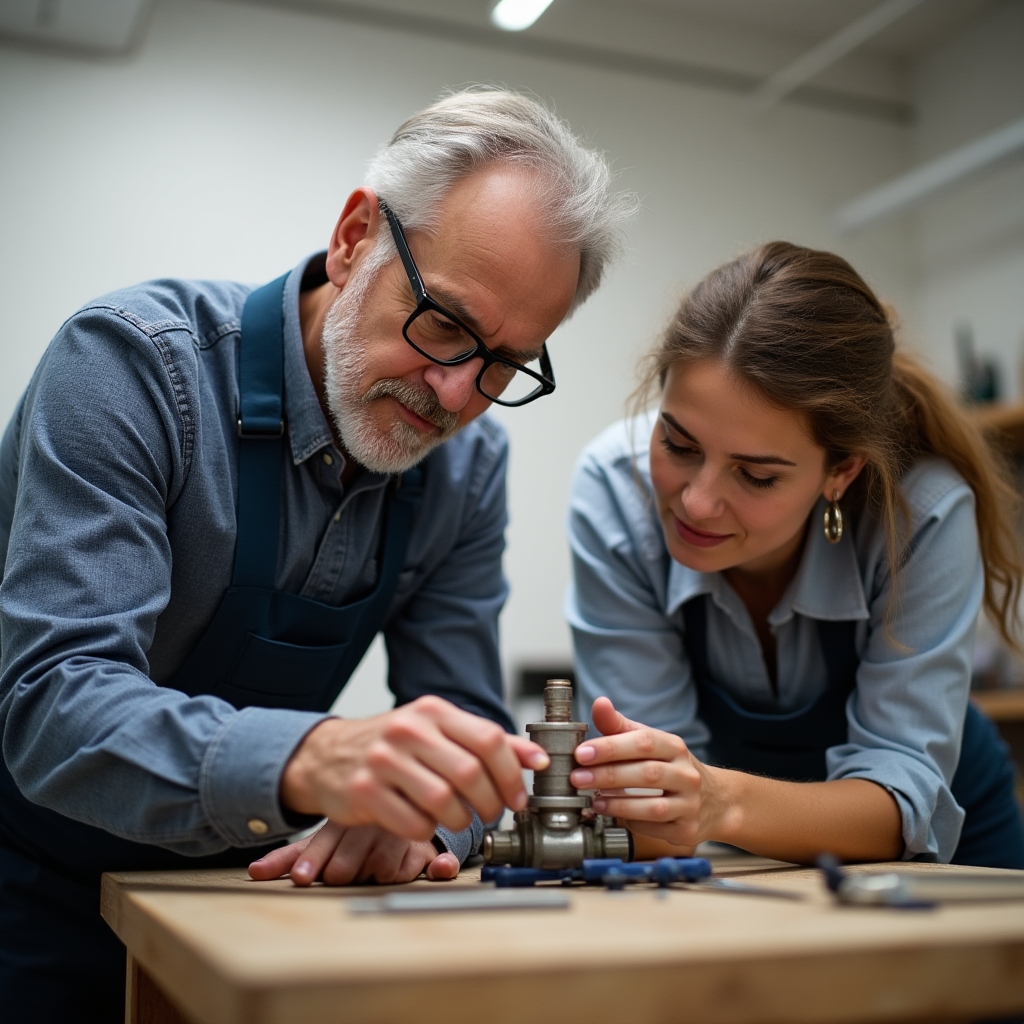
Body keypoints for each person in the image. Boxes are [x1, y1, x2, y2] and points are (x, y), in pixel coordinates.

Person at [0, 88, 634, 1020]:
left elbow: (462, 713)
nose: (456, 395)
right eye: (444, 323)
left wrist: (424, 822)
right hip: (31, 886)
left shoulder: (467, 469)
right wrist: (315, 756)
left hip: (254, 895)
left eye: (503, 364)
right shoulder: (131, 368)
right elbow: (53, 704)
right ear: (353, 238)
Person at [566, 242, 1024, 869]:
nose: (696, 503)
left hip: (949, 846)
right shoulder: (615, 490)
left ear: (841, 472)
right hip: (728, 850)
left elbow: (903, 795)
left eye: (756, 476)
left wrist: (716, 803)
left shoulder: (924, 512)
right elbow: (654, 806)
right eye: (678, 444)